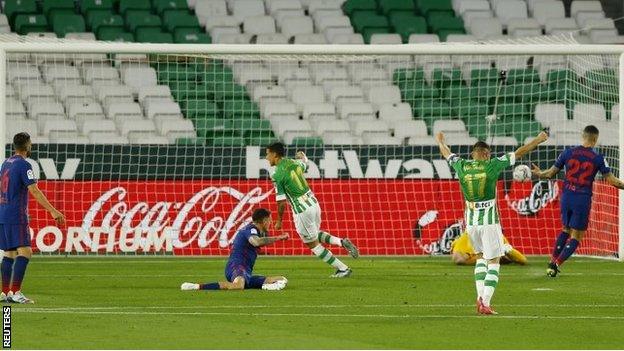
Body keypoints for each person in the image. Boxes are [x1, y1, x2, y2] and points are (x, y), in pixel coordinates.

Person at [436, 130, 548, 314]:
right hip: (489, 222)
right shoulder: (492, 165)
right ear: (487, 154)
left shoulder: (461, 165)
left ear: (473, 153)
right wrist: (539, 139)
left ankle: (480, 298)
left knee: (480, 257)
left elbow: (446, 152)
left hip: (470, 223)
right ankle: (486, 302)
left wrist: (440, 141)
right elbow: (520, 151)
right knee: (494, 261)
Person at [531, 125, 624, 277]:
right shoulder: (598, 158)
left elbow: (549, 174)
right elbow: (613, 181)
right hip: (582, 198)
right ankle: (555, 265)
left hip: (566, 196)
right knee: (576, 236)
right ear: (595, 139)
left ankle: (552, 260)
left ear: (583, 136)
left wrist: (539, 173)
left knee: (565, 229)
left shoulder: (568, 153)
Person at [265, 142, 358, 278]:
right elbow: (305, 163)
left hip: (302, 210)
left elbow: (281, 202)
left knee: (312, 244)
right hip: (313, 203)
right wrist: (302, 156)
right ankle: (341, 242)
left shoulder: (277, 174)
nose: (266, 157)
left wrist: (279, 220)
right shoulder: (294, 163)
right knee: (314, 233)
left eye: (268, 154)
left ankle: (343, 269)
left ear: (275, 154)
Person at [0, 132, 65, 303]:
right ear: (28, 145)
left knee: (9, 252)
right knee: (26, 252)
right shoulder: (24, 165)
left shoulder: (5, 163)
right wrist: (52, 210)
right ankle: (15, 292)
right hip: (16, 214)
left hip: (3, 212)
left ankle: (4, 292)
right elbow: (34, 190)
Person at [181, 208, 289, 291]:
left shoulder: (256, 231)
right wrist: (278, 238)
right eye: (270, 220)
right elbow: (255, 241)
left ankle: (267, 286)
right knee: (238, 286)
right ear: (264, 221)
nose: (271, 223)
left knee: (281, 279)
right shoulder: (250, 229)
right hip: (236, 266)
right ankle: (196, 286)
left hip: (246, 272)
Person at [451, 231, 527, 265]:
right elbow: (458, 258)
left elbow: (523, 260)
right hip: (471, 252)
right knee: (459, 259)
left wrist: (507, 250)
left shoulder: (498, 237)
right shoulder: (466, 237)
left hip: (484, 253)